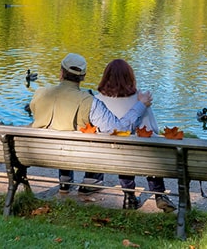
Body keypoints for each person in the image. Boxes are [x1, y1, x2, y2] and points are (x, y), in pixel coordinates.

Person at [29, 53, 152, 194]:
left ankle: (65, 181)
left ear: (61, 73)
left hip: (40, 153)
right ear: (83, 76)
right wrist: (140, 105)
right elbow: (119, 129)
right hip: (78, 156)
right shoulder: (90, 102)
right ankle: (91, 180)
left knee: (60, 127)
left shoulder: (40, 94)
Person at [94, 59, 177, 212]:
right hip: (142, 157)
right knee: (148, 146)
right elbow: (153, 129)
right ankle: (159, 194)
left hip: (108, 156)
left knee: (123, 150)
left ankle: (129, 196)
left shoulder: (97, 101)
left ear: (105, 77)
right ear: (130, 77)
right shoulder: (140, 100)